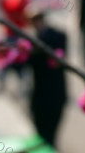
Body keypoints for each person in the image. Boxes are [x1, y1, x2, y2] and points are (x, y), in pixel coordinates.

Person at [26, 8, 69, 149]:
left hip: (45, 98)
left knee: (45, 135)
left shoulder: (37, 42)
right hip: (55, 96)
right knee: (49, 137)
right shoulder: (60, 36)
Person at [0, 0, 31, 96]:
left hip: (18, 33)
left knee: (19, 60)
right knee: (3, 59)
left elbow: (18, 11)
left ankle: (23, 85)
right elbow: (5, 7)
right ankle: (2, 83)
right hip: (9, 32)